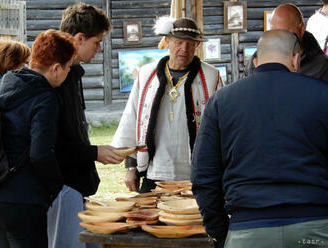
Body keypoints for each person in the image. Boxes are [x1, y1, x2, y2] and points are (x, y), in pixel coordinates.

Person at [191, 30, 328, 248]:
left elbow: (203, 177)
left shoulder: (221, 101)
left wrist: (221, 232)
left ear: (255, 61)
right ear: (295, 58)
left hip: (248, 227)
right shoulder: (323, 95)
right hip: (316, 225)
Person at [111, 17, 223, 193]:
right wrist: (131, 167)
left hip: (196, 174)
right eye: (178, 42)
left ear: (197, 46)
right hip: (155, 170)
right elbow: (131, 117)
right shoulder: (146, 75)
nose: (184, 49)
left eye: (190, 44)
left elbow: (223, 125)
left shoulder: (211, 77)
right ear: (167, 41)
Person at [47, 3, 124, 248]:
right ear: (79, 39)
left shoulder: (73, 74)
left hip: (75, 186)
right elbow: (53, 144)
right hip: (61, 188)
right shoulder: (56, 77)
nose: (99, 49)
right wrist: (95, 152)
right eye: (97, 42)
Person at [0, 29, 76, 248]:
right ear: (56, 68)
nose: (68, 72)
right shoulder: (44, 97)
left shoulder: (6, 83)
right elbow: (40, 153)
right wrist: (54, 187)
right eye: (69, 67)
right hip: (24, 199)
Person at [245, 3, 328, 82]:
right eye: (274, 33)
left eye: (286, 33)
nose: (280, 39)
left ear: (301, 29)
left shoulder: (321, 66)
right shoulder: (258, 58)